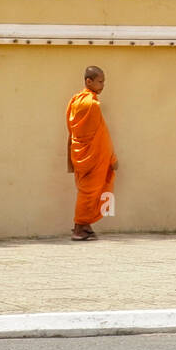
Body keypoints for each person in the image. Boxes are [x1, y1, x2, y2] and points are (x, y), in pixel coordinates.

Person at [66, 66, 118, 241]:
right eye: (100, 81)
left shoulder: (75, 100)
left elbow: (76, 131)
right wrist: (111, 156)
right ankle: (79, 228)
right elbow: (98, 134)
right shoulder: (91, 104)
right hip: (92, 156)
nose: (103, 85)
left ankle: (85, 226)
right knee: (89, 193)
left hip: (82, 154)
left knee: (88, 191)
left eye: (104, 81)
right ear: (89, 81)